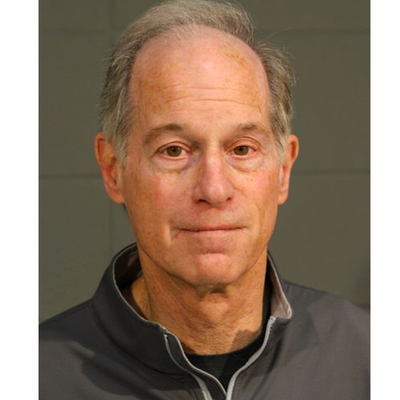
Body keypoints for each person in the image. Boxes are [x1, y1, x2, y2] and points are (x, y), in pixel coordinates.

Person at [39, 0, 369, 398]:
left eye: (242, 149)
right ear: (114, 169)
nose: (213, 190)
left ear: (283, 170)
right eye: (174, 150)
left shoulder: (370, 358)